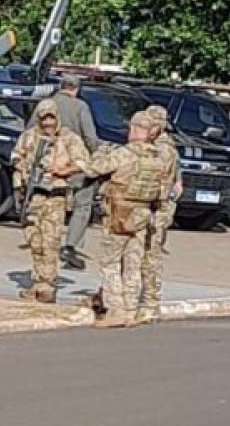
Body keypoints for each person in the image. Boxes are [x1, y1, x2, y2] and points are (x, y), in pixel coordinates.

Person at [76, 111, 175, 328]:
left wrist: (84, 157)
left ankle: (115, 310)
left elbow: (93, 169)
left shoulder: (125, 154)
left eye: (132, 127)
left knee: (110, 264)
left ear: (139, 130)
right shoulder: (157, 158)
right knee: (133, 263)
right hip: (142, 215)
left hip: (119, 215)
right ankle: (131, 309)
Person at [11, 98, 91, 303]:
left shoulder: (69, 139)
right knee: (34, 240)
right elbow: (16, 156)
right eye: (43, 119)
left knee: (51, 242)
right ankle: (38, 282)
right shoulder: (29, 137)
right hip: (33, 195)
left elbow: (84, 163)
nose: (47, 124)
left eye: (51, 119)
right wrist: (22, 169)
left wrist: (63, 170)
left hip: (55, 195)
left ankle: (48, 285)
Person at [26, 74, 100, 271]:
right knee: (82, 204)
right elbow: (90, 137)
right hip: (73, 163)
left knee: (45, 202)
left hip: (46, 164)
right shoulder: (80, 106)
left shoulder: (46, 104)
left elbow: (30, 131)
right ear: (77, 88)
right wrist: (94, 161)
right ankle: (70, 245)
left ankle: (39, 235)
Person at [138, 104, 183, 323]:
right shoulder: (156, 146)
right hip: (149, 205)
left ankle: (150, 303)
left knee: (150, 255)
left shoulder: (163, 149)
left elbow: (160, 181)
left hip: (157, 208)